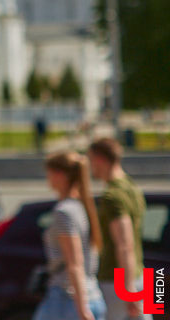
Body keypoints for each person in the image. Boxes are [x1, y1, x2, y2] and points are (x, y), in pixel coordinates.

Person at [35, 151, 106, 320]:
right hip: (92, 294)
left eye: (49, 173)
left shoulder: (64, 212)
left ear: (60, 175)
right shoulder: (82, 207)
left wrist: (82, 309)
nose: (48, 178)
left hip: (68, 298)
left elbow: (74, 263)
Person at [87, 137, 148, 319]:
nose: (91, 167)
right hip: (140, 271)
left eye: (91, 160)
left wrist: (128, 289)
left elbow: (124, 243)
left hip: (118, 279)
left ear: (99, 159)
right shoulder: (132, 187)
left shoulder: (112, 195)